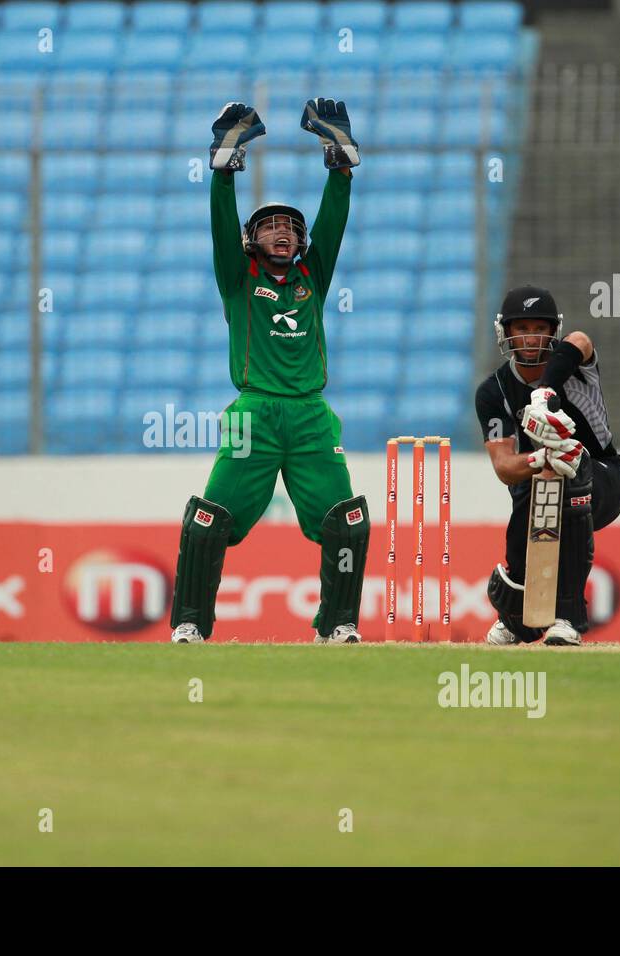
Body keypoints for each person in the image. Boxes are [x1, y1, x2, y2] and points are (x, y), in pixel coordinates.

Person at [168, 99, 367, 645]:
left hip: (310, 417)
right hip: (251, 415)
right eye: (270, 225)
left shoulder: (312, 279)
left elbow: (335, 221)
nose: (282, 231)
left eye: (290, 227)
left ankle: (338, 626)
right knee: (209, 520)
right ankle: (190, 624)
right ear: (251, 240)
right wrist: (224, 172)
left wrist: (340, 168)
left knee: (346, 521)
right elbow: (219, 224)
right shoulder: (237, 278)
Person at [473, 286, 620, 647]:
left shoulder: (575, 369)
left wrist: (544, 394)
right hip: (542, 481)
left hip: (606, 477)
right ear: (506, 332)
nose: (531, 336)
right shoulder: (493, 391)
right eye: (522, 328)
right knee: (541, 480)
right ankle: (520, 621)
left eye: (539, 328)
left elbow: (582, 339)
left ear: (552, 332)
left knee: (569, 471)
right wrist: (543, 457)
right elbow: (503, 466)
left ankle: (569, 617)